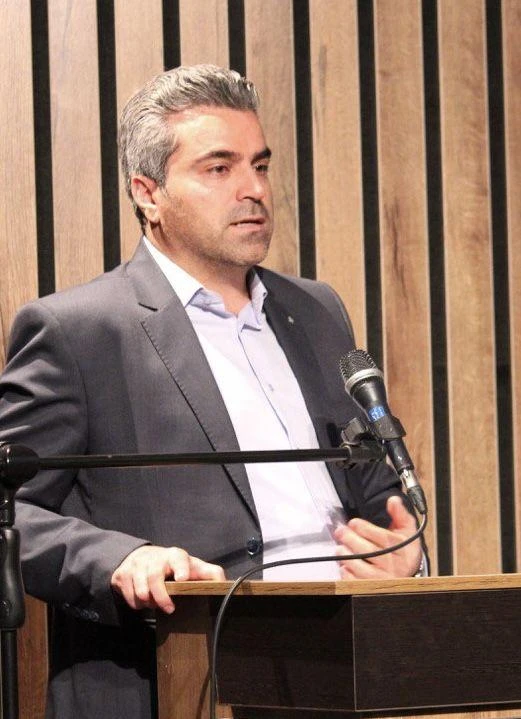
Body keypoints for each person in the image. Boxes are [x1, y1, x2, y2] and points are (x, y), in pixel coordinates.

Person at [0, 65, 423, 719]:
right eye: (219, 168)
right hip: (176, 680)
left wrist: (400, 554)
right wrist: (120, 558)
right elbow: (9, 511)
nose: (253, 190)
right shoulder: (78, 331)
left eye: (260, 165)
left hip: (340, 678)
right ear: (148, 193)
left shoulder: (315, 310)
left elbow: (375, 487)